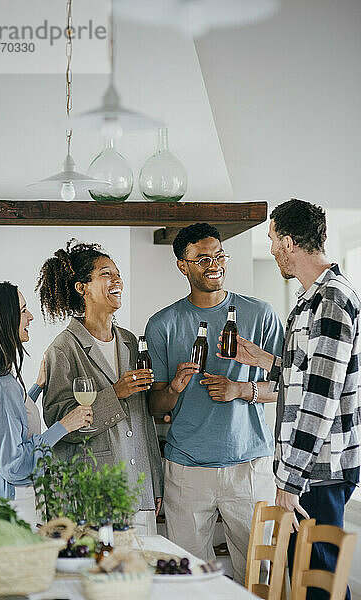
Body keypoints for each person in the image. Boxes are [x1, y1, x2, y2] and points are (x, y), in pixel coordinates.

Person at [219, 199, 361, 600]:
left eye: (271, 239)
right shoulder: (307, 300)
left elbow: (319, 398)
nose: (271, 249)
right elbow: (304, 377)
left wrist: (289, 482)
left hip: (320, 470)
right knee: (308, 580)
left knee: (318, 585)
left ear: (289, 242)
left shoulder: (331, 300)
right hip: (311, 470)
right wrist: (263, 359)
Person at [145, 223, 284, 584]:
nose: (214, 264)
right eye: (203, 258)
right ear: (183, 265)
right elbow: (154, 405)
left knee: (261, 574)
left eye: (219, 255)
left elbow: (287, 387)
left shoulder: (261, 314)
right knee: (188, 574)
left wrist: (241, 389)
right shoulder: (162, 324)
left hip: (250, 465)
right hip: (187, 470)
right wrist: (174, 387)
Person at [36, 240, 163, 536]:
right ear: (82, 288)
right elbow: (60, 424)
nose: (117, 280)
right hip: (93, 496)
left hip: (139, 490)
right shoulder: (64, 348)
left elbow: (143, 421)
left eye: (118, 274)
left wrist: (154, 481)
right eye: (106, 274)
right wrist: (114, 394)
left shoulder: (132, 342)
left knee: (138, 572)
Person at [0, 282, 92, 528]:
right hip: (13, 507)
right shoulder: (3, 386)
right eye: (23, 311)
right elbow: (14, 465)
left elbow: (7, 422)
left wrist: (37, 388)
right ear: (3, 320)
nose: (30, 316)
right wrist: (64, 425)